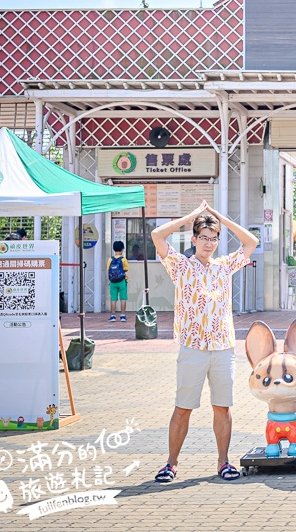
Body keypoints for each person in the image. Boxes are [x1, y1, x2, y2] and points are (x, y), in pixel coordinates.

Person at [150, 201, 258, 484]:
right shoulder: (181, 266)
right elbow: (157, 236)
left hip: (223, 347)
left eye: (214, 239)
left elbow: (251, 242)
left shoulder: (224, 266)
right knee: (183, 407)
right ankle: (171, 464)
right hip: (192, 347)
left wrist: (221, 217)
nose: (209, 244)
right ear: (194, 239)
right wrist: (191, 216)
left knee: (222, 407)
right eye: (204, 238)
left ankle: (223, 462)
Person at [107, 240, 129, 323]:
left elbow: (108, 269)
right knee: (123, 298)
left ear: (113, 249)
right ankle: (122, 315)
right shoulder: (123, 259)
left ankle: (113, 316)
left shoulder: (110, 259)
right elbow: (126, 269)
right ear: (122, 249)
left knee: (113, 298)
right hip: (122, 281)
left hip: (112, 282)